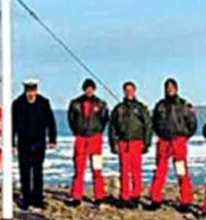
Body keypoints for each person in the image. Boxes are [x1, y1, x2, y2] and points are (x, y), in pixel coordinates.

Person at [147, 77, 198, 211]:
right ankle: (155, 199)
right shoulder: (160, 105)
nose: (170, 90)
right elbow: (154, 122)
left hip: (178, 140)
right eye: (167, 87)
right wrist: (159, 134)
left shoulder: (183, 105)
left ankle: (186, 200)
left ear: (176, 89)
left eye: (172, 87)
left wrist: (185, 136)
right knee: (160, 170)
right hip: (163, 140)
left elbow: (192, 123)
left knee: (181, 170)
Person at [12, 79, 57, 210]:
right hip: (23, 142)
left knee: (38, 171)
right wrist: (12, 143)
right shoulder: (17, 103)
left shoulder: (44, 103)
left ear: (36, 90)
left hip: (39, 142)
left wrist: (52, 139)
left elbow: (50, 122)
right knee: (24, 171)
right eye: (28, 91)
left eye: (33, 90)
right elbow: (12, 124)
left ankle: (37, 198)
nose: (31, 93)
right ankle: (26, 199)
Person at [108, 80, 152, 208]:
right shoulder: (119, 108)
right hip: (123, 142)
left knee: (136, 170)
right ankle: (125, 196)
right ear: (124, 92)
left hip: (137, 141)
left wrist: (147, 143)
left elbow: (148, 125)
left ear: (135, 91)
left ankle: (136, 195)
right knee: (124, 170)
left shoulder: (141, 108)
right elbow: (112, 127)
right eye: (126, 90)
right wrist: (113, 143)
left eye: (131, 90)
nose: (129, 93)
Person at [66, 78, 110, 207]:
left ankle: (99, 196)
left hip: (95, 139)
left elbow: (104, 119)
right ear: (84, 89)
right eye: (87, 88)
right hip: (81, 138)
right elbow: (71, 119)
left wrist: (98, 131)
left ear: (94, 89)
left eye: (91, 88)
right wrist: (77, 131)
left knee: (97, 168)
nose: (89, 90)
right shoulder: (75, 103)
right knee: (79, 168)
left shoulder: (101, 104)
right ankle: (76, 196)